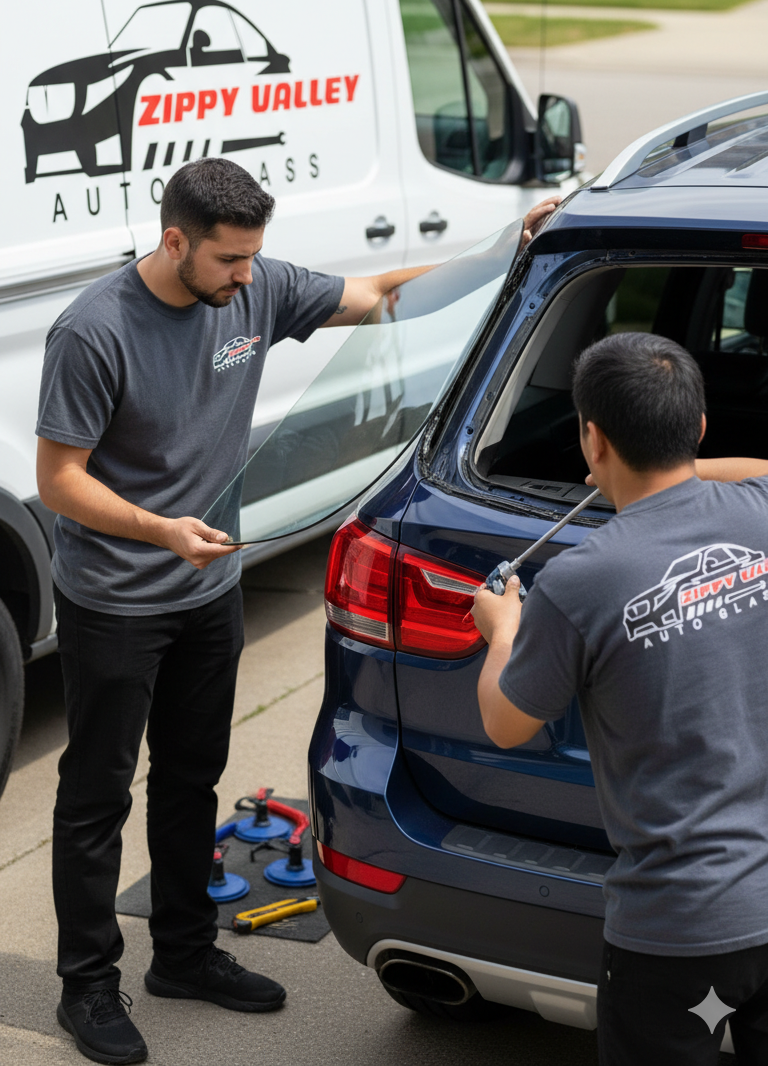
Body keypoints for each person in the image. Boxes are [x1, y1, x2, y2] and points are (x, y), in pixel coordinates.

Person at [37, 156, 558, 1065]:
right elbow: (59, 480)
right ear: (175, 242)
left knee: (191, 779)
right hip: (116, 603)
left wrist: (501, 249)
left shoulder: (257, 287)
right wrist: (160, 531)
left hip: (208, 593)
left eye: (253, 257)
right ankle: (86, 986)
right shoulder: (94, 331)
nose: (247, 277)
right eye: (229, 259)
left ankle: (183, 956)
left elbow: (386, 296)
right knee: (96, 798)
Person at [472, 330, 768, 1065]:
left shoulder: (580, 580)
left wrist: (502, 631)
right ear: (699, 425)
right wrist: (681, 470)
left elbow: (506, 723)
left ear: (592, 439)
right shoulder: (761, 510)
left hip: (679, 932)